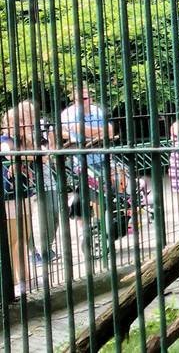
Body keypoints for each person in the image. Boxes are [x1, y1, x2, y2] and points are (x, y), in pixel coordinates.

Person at [60, 85, 115, 257]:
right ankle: (91, 232)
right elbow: (79, 131)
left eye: (87, 97)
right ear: (74, 100)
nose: (85, 101)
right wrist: (98, 132)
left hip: (102, 159)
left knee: (100, 197)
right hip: (82, 163)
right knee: (94, 196)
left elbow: (111, 131)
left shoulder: (98, 111)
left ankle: (100, 231)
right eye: (80, 99)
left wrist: (95, 133)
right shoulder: (68, 114)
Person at [0, 101, 41, 296]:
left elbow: (35, 153)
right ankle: (20, 280)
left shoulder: (22, 141)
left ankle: (24, 278)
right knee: (15, 239)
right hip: (9, 196)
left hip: (23, 193)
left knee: (24, 236)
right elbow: (8, 154)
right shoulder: (5, 139)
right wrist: (28, 157)